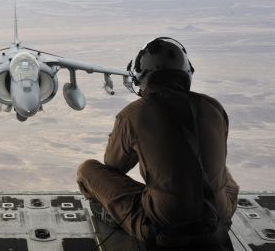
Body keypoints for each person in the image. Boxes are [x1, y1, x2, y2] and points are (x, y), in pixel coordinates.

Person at [77, 37, 239, 247]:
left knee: (87, 169)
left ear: (142, 77)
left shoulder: (133, 114)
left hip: (166, 228)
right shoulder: (214, 107)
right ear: (186, 72)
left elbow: (114, 165)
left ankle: (114, 215)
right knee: (225, 174)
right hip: (219, 216)